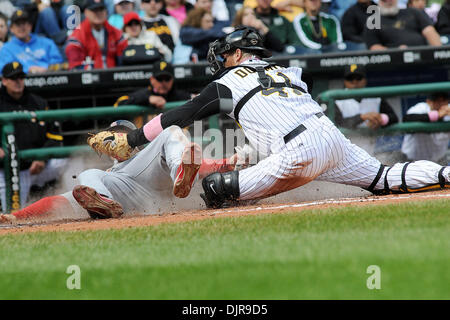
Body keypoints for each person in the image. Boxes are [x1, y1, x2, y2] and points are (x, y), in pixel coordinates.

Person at [88, 27, 450, 211]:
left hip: (299, 150)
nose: (222, 59)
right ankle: (446, 174)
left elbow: (180, 114)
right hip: (332, 139)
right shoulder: (286, 71)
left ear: (240, 53)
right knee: (384, 178)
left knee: (215, 190)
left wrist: (135, 138)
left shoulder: (228, 80)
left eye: (227, 53)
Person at [0, 120, 240, 223]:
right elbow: (56, 202)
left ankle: (180, 173)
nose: (118, 139)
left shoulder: (149, 151)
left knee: (171, 131)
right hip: (121, 194)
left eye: (124, 133)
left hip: (156, 180)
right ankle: (105, 206)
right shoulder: (107, 174)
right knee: (87, 177)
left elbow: (198, 164)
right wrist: (16, 216)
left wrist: (227, 162)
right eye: (114, 136)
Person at [0, 61, 67, 212]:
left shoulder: (38, 102)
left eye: (21, 77)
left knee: (63, 161)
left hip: (36, 166)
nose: (18, 82)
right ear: (4, 80)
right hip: (7, 170)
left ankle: (70, 206)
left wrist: (42, 157)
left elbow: (55, 136)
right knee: (12, 215)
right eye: (13, 78)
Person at [333, 64, 399, 156]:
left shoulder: (375, 96)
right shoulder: (337, 99)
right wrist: (362, 117)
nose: (355, 82)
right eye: (350, 79)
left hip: (372, 149)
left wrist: (381, 119)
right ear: (345, 81)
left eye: (358, 78)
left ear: (365, 80)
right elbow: (338, 123)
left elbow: (394, 117)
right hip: (347, 152)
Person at [114, 60, 191, 126]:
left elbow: (196, 98)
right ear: (152, 80)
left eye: (167, 79)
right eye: (159, 79)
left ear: (172, 80)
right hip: (145, 140)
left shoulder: (179, 95)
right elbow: (118, 104)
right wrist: (147, 99)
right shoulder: (144, 94)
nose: (163, 83)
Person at [65, 0, 128, 70]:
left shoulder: (115, 32)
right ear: (86, 12)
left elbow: (124, 59)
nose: (98, 13)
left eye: (101, 10)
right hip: (89, 77)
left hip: (113, 76)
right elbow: (75, 65)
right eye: (94, 10)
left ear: (106, 12)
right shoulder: (77, 35)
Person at [0, 9, 63, 74]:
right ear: (11, 29)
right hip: (21, 80)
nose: (21, 27)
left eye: (24, 23)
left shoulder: (47, 43)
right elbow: (4, 69)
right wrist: (28, 70)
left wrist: (46, 69)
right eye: (18, 24)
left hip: (50, 78)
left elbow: (57, 62)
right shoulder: (6, 49)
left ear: (30, 26)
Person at [364, 0, 441, 50]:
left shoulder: (413, 12)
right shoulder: (373, 21)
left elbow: (429, 31)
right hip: (391, 65)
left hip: (423, 56)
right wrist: (396, 53)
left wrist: (438, 53)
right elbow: (374, 47)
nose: (388, 1)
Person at [401, 92, 450, 164]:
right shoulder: (421, 108)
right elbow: (407, 118)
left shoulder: (448, 109)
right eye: (437, 101)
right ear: (429, 102)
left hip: (439, 159)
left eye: (444, 101)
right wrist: (437, 115)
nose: (441, 104)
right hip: (413, 160)